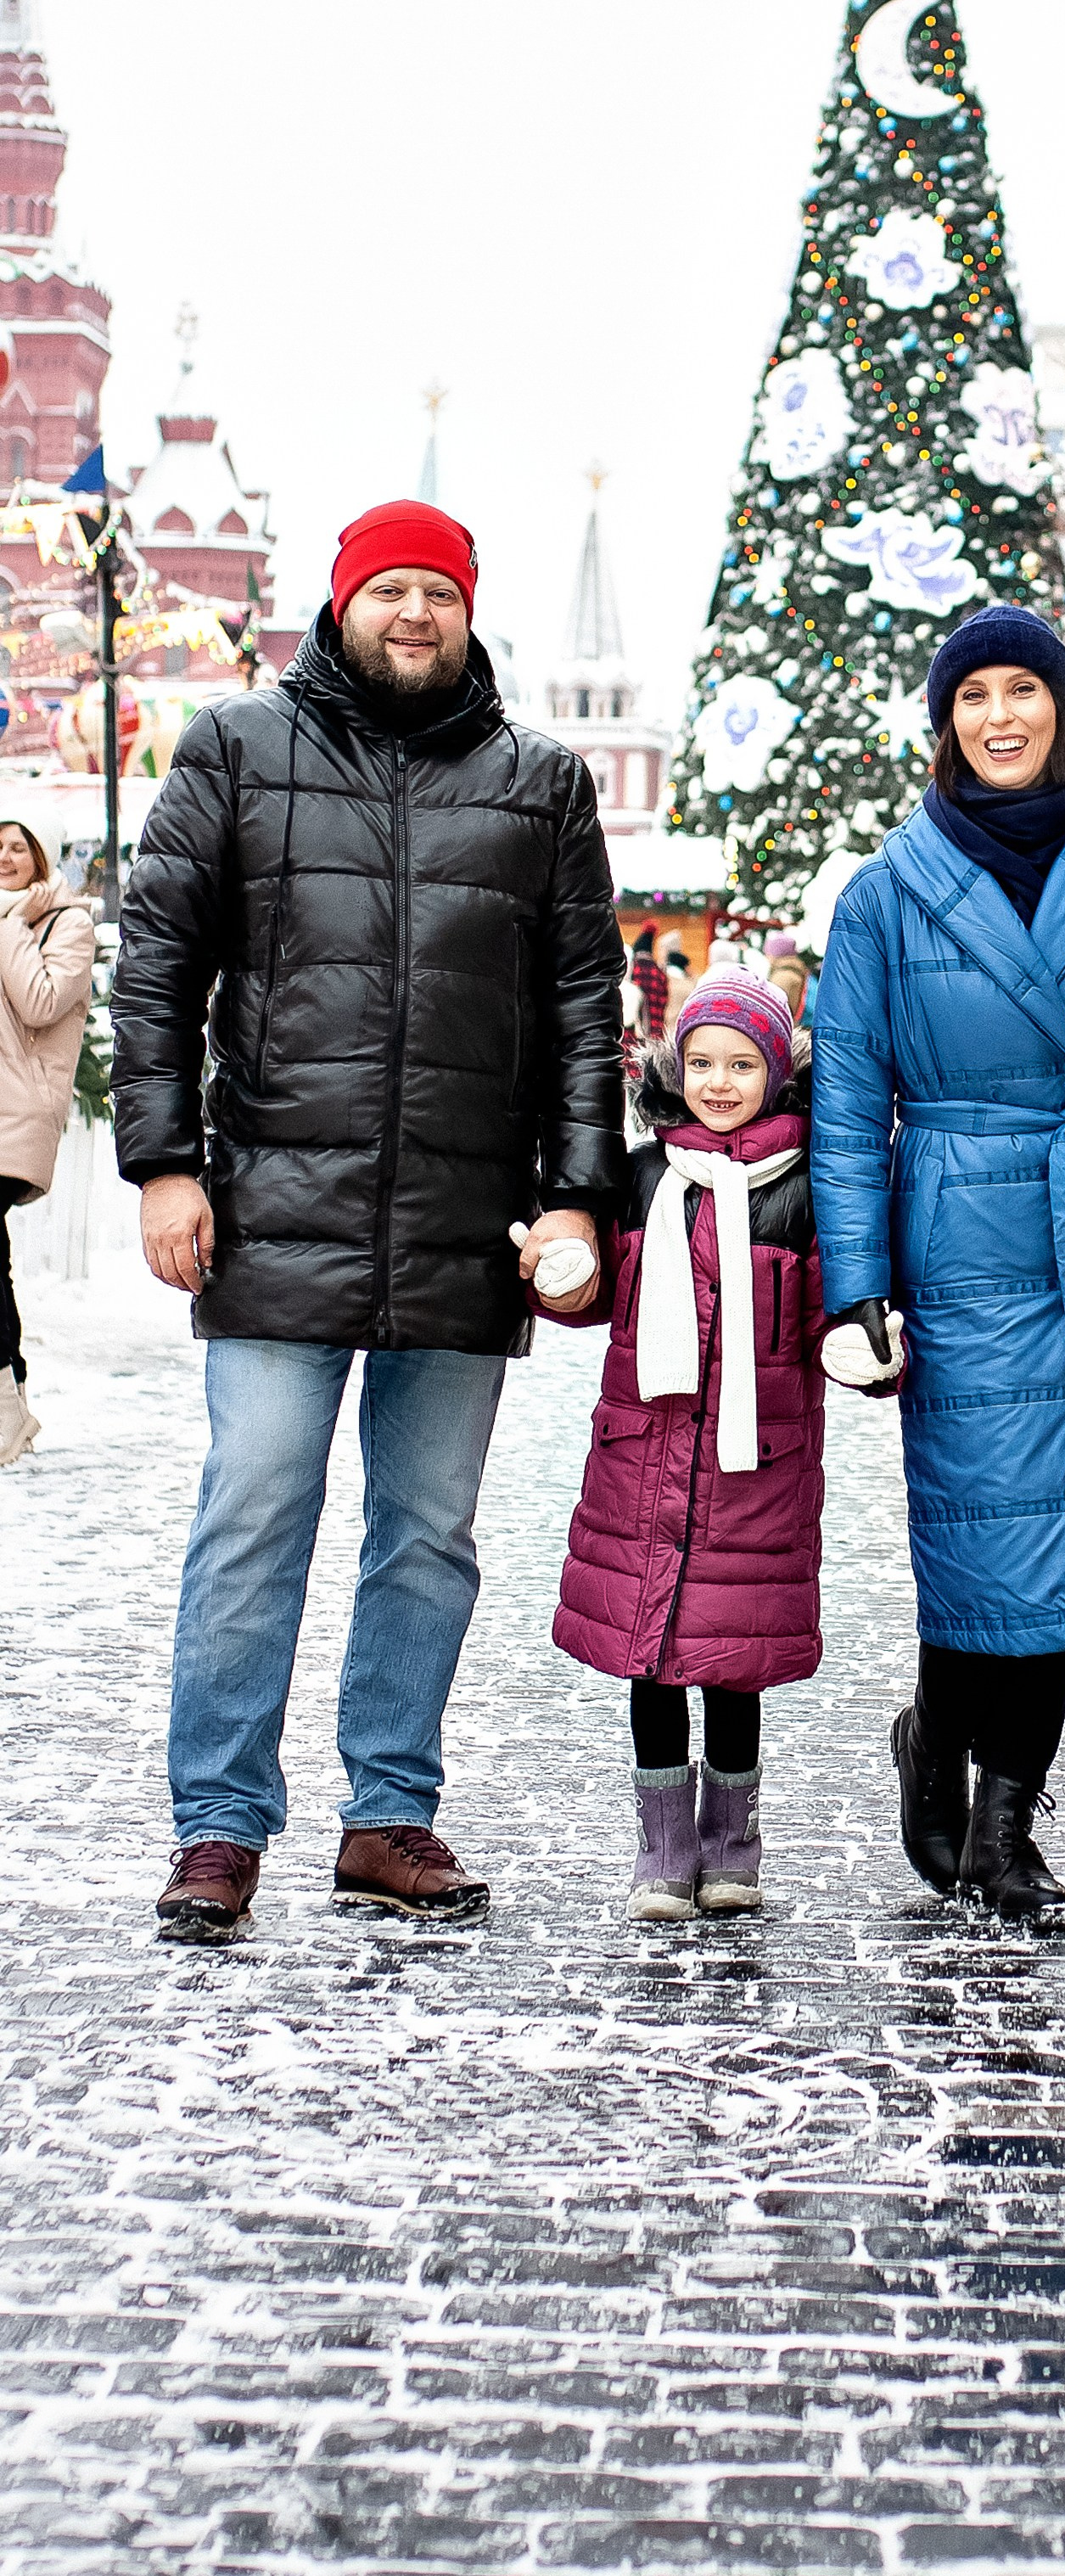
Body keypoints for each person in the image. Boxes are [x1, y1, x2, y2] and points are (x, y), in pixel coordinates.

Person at [112, 498, 626, 1945]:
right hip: (275, 1211)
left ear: (469, 612)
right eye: (389, 588)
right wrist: (164, 1161)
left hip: (467, 1222)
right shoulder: (235, 749)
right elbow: (157, 968)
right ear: (340, 603)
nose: (415, 613)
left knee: (428, 1531)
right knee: (256, 1508)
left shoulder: (540, 782)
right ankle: (219, 1821)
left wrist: (579, 1193)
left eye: (439, 593)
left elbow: (587, 1008)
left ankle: (387, 1809)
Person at [812, 602, 1065, 1932]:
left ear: (1061, 712)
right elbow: (847, 1098)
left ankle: (1008, 1820)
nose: (1000, 716)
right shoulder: (887, 893)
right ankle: (936, 1733)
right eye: (975, 695)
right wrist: (857, 1287)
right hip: (956, 1231)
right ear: (945, 720)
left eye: (1025, 690)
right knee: (979, 1525)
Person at [547, 969, 842, 1922]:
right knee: (651, 1657)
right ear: (678, 1069)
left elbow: (832, 1314)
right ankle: (664, 1850)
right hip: (645, 1459)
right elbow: (592, 1293)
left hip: (756, 1472)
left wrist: (866, 1338)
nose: (720, 1083)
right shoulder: (642, 1177)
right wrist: (562, 1274)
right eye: (705, 1062)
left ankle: (732, 1846)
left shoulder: (803, 1186)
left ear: (775, 1074)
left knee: (733, 1661)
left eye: (743, 1064)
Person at [0, 801, 96, 1468]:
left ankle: (10, 1413)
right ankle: (13, 1406)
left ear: (41, 853)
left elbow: (39, 1000)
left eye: (17, 846)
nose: (4, 856)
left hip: (16, 1114)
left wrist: (7, 922)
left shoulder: (69, 922)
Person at [629, 927, 670, 1045]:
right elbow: (665, 1000)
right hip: (658, 1032)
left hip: (636, 1033)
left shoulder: (633, 970)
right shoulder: (659, 973)